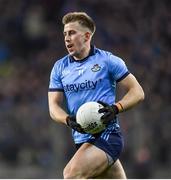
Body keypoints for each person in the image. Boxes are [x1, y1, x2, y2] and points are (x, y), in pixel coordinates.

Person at [48, 11, 144, 179]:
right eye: (64, 34)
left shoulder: (108, 61)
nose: (67, 38)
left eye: (72, 33)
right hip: (82, 140)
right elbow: (53, 106)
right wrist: (67, 119)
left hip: (108, 135)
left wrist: (116, 108)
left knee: (71, 174)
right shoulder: (60, 67)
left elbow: (137, 92)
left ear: (86, 36)